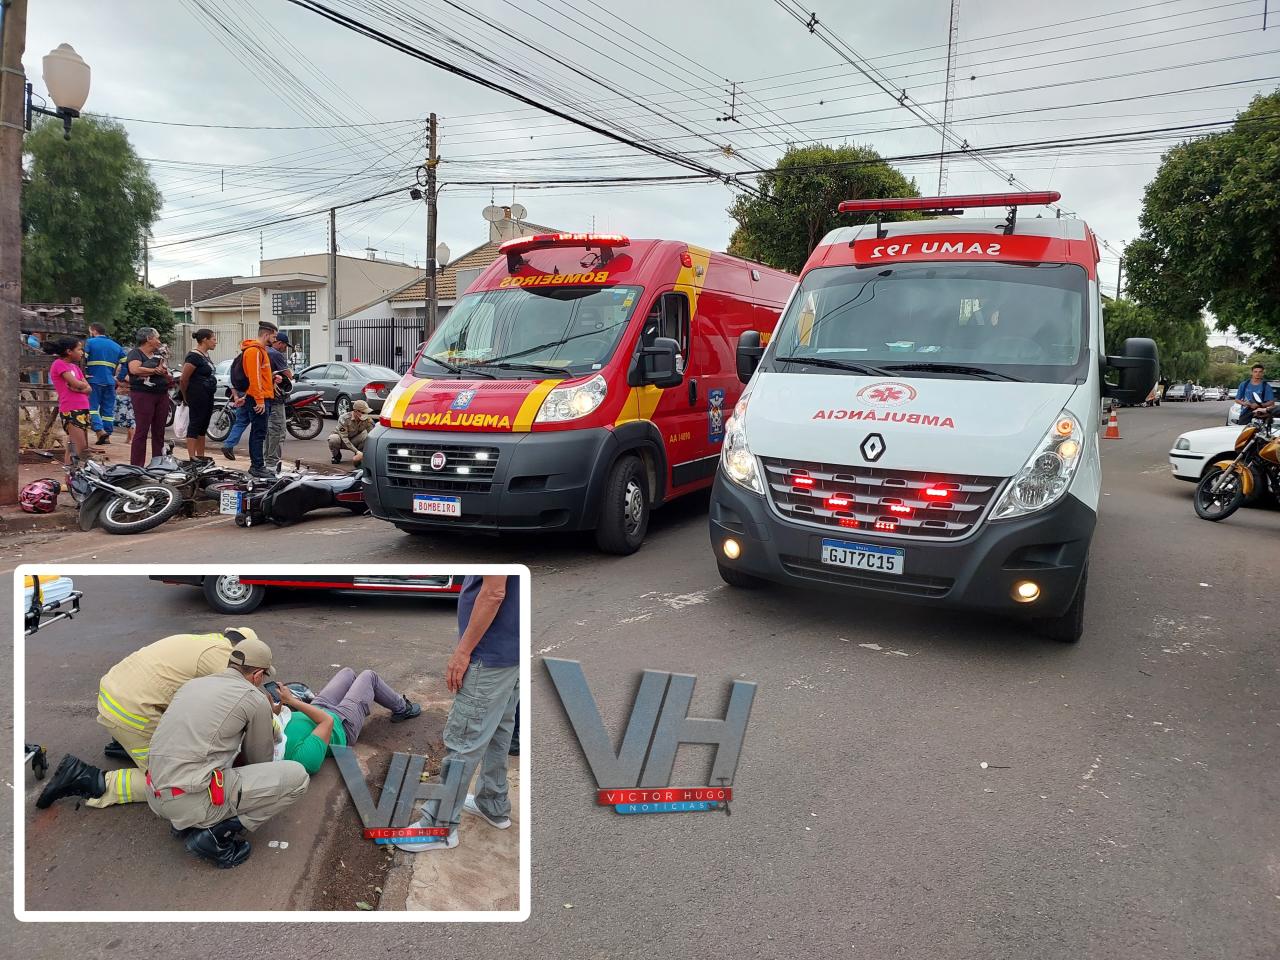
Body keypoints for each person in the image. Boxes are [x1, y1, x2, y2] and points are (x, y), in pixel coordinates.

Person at [35, 628, 260, 811]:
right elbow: (235, 704)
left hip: (115, 695)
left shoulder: (203, 641)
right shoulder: (223, 657)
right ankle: (87, 779)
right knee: (177, 783)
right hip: (133, 714)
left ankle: (128, 745)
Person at [145, 637, 309, 869]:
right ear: (258, 675)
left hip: (155, 793)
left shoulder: (192, 685)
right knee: (298, 777)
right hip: (188, 800)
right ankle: (214, 835)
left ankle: (188, 823)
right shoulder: (253, 698)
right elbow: (259, 761)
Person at [396, 575, 519, 853]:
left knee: (464, 739)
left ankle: (439, 827)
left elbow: (493, 593)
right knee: (498, 730)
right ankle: (493, 803)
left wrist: (463, 652)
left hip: (488, 655)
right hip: (510, 654)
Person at [276, 667, 421, 775]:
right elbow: (327, 722)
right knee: (369, 676)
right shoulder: (302, 760)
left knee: (348, 673)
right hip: (341, 726)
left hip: (317, 708)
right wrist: (291, 701)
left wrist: (277, 707)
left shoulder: (264, 736)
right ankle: (403, 709)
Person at [220, 321, 277, 478]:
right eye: (274, 336)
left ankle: (255, 463)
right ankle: (257, 466)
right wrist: (259, 400)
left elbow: (260, 377)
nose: (275, 339)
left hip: (256, 396)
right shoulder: (254, 352)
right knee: (259, 433)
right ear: (266, 334)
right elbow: (254, 377)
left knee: (255, 429)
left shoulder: (259, 351)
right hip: (259, 399)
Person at [125, 327, 171, 466]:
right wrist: (153, 371)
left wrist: (163, 371)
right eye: (157, 338)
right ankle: (137, 466)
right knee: (142, 430)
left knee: (159, 431)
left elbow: (164, 370)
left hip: (161, 394)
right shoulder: (135, 353)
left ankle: (157, 463)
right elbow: (134, 369)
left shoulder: (158, 355)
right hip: (143, 394)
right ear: (148, 339)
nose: (159, 341)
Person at [43, 337, 92, 465]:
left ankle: (71, 478)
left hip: (82, 409)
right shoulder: (59, 364)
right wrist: (81, 386)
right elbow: (77, 383)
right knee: (79, 447)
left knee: (74, 447)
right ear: (69, 351)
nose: (82, 352)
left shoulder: (75, 367)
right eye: (79, 349)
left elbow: (88, 388)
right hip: (71, 409)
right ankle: (71, 476)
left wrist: (79, 388)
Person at [83, 322, 128, 445]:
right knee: (107, 411)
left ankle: (99, 430)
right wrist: (119, 378)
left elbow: (82, 359)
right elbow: (126, 363)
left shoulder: (90, 343)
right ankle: (107, 435)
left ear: (93, 331)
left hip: (93, 380)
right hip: (110, 382)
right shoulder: (116, 346)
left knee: (92, 408)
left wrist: (83, 374)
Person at [179, 328, 219, 460]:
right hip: (197, 394)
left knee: (204, 424)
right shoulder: (194, 356)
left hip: (208, 394)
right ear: (204, 340)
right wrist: (186, 396)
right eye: (213, 339)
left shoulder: (205, 355)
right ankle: (192, 456)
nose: (215, 342)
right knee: (195, 423)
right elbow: (184, 379)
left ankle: (201, 455)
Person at [265, 331, 293, 470]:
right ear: (280, 343)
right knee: (277, 430)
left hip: (266, 398)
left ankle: (268, 461)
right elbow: (289, 374)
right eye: (285, 345)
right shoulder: (275, 354)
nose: (285, 348)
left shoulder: (264, 351)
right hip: (275, 398)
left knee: (270, 431)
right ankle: (271, 463)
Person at [328, 399, 374, 464]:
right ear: (355, 411)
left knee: (367, 436)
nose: (365, 414)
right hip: (342, 441)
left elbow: (372, 435)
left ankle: (359, 456)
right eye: (363, 412)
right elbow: (344, 438)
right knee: (333, 439)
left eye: (366, 412)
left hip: (355, 439)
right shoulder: (344, 418)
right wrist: (356, 451)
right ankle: (336, 456)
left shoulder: (367, 420)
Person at [113, 375, 136, 445]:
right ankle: (129, 438)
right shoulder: (123, 367)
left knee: (131, 419)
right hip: (122, 396)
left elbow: (128, 380)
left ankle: (131, 438)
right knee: (128, 419)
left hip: (127, 397)